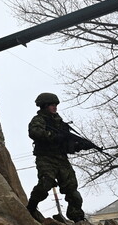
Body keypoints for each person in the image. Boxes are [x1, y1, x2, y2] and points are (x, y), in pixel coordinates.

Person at [27, 93, 89, 224]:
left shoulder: (61, 124)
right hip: (45, 158)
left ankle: (77, 217)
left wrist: (79, 146)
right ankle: (31, 207)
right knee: (46, 183)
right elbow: (35, 132)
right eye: (52, 105)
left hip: (61, 159)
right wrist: (53, 136)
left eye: (56, 105)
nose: (55, 107)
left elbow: (67, 145)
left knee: (72, 189)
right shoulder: (39, 120)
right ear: (44, 106)